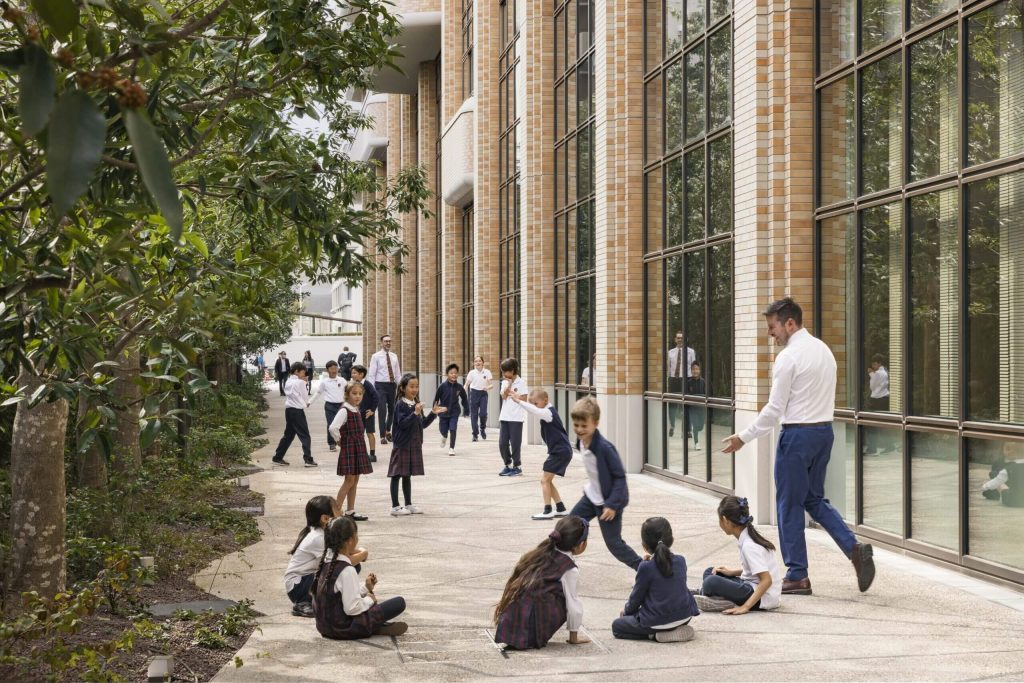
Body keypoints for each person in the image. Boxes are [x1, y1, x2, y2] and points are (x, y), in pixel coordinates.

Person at [722, 297, 875, 595]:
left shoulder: (789, 357)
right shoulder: (824, 350)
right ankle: (854, 549)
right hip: (823, 433)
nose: (771, 334)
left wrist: (745, 436)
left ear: (789, 323)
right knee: (814, 499)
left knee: (789, 505)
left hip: (797, 437)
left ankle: (797, 575)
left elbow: (775, 408)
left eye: (773, 327)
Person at [493, 516, 590, 650]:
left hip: (511, 625)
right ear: (581, 544)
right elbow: (573, 605)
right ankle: (536, 634)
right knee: (566, 598)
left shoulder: (544, 551)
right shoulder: (570, 569)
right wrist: (573, 637)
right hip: (532, 629)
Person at [569, 396, 643, 571]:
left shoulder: (604, 448)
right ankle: (560, 564)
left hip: (609, 503)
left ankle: (643, 569)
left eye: (584, 426)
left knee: (614, 544)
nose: (579, 429)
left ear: (595, 423)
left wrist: (611, 505)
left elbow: (619, 477)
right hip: (592, 496)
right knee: (567, 527)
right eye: (576, 425)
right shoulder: (580, 441)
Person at [312, 516, 408, 639]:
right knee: (399, 603)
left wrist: (365, 588)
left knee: (370, 608)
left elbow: (342, 597)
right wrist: (369, 599)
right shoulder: (347, 570)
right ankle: (373, 626)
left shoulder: (325, 563)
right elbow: (352, 609)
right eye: (356, 535)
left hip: (324, 627)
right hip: (343, 628)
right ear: (350, 540)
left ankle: (375, 626)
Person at [611, 517, 699, 643]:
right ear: (671, 540)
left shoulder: (646, 567)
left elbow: (636, 598)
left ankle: (654, 635)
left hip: (656, 621)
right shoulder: (681, 560)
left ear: (644, 546)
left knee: (617, 626)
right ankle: (673, 630)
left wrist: (626, 612)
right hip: (684, 616)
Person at [694, 495, 783, 614]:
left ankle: (709, 595)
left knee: (710, 582)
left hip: (762, 597)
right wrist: (732, 572)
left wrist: (745, 607)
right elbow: (755, 570)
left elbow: (767, 580)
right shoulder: (747, 537)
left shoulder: (749, 546)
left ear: (725, 520)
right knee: (710, 571)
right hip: (751, 586)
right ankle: (716, 598)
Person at [387, 373, 446, 516]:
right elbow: (402, 423)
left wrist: (433, 413)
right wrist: (415, 413)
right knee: (397, 475)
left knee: (407, 475)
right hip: (402, 444)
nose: (414, 389)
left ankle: (408, 504)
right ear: (403, 388)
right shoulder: (401, 404)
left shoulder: (415, 404)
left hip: (414, 444)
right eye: (411, 386)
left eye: (417, 386)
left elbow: (422, 424)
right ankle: (395, 507)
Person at [511, 388, 572, 520]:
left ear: (546, 400)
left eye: (536, 403)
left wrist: (519, 402)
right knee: (548, 481)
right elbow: (534, 410)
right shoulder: (547, 410)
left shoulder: (548, 413)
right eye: (532, 404)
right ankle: (560, 508)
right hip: (561, 451)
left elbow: (536, 411)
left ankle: (547, 510)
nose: (534, 406)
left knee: (544, 480)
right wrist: (520, 399)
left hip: (560, 451)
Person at [284, 495, 339, 618]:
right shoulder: (318, 538)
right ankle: (303, 602)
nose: (341, 514)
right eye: (337, 511)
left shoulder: (322, 532)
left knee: (350, 567)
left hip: (306, 580)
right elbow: (341, 558)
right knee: (340, 568)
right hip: (299, 586)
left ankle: (327, 599)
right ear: (325, 518)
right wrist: (363, 554)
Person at [328, 382, 374, 521]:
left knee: (355, 480)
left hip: (358, 446)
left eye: (360, 394)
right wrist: (339, 441)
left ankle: (350, 511)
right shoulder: (344, 410)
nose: (357, 396)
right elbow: (333, 428)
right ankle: (335, 512)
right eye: (354, 393)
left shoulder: (356, 410)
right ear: (347, 395)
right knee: (349, 480)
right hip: (349, 447)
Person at [272, 362, 317, 467]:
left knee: (288, 435)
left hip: (289, 410)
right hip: (297, 411)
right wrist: (306, 402)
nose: (304, 374)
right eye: (303, 372)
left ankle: (278, 457)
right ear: (296, 371)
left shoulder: (288, 381)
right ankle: (308, 459)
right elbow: (305, 397)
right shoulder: (300, 382)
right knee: (305, 435)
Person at [498, 358, 529, 477]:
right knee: (502, 443)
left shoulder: (522, 382)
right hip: (504, 416)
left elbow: (524, 399)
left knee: (515, 443)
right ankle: (507, 465)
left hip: (516, 418)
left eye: (505, 371)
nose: (504, 374)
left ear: (512, 370)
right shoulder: (505, 382)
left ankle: (517, 466)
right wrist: (509, 385)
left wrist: (516, 396)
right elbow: (504, 397)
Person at [368, 335, 401, 444]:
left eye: (389, 341)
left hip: (392, 386)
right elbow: (372, 374)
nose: (388, 343)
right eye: (386, 341)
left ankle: (388, 430)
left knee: (392, 409)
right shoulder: (376, 356)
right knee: (382, 410)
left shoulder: (394, 356)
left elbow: (397, 374)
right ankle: (382, 436)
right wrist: (371, 390)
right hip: (380, 386)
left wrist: (401, 386)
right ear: (381, 343)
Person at [433, 363, 469, 456]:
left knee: (453, 429)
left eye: (455, 373)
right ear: (447, 374)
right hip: (443, 413)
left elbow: (464, 399)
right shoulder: (442, 386)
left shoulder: (459, 387)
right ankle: (444, 436)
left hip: (454, 412)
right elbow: (436, 399)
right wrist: (435, 410)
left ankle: (451, 448)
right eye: (451, 373)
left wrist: (466, 410)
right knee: (443, 429)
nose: (454, 375)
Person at [309, 360, 345, 452]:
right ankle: (332, 443)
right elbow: (318, 392)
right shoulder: (325, 382)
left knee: (341, 425)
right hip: (330, 406)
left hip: (341, 406)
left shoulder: (342, 380)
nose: (334, 370)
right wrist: (310, 401)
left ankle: (343, 441)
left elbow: (348, 391)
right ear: (327, 370)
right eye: (332, 368)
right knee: (331, 424)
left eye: (335, 368)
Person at [667, 332, 696, 438]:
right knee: (672, 405)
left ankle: (687, 430)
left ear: (685, 339)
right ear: (675, 339)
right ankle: (672, 426)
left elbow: (694, 367)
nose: (680, 340)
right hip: (674, 380)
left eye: (682, 338)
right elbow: (668, 368)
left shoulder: (691, 352)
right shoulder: (670, 352)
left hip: (686, 380)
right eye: (678, 338)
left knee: (686, 405)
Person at [351, 365, 379, 463]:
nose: (352, 375)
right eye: (352, 373)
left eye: (354, 373)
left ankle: (372, 454)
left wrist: (372, 410)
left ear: (361, 374)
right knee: (359, 434)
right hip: (358, 413)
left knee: (370, 433)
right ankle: (361, 453)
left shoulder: (367, 384)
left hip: (368, 413)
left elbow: (376, 397)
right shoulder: (354, 385)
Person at [464, 355, 494, 442]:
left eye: (479, 361)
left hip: (483, 394)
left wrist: (487, 388)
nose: (478, 362)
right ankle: (475, 434)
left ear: (483, 363)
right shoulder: (471, 373)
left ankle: (482, 429)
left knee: (483, 413)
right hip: (473, 393)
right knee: (474, 415)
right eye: (476, 361)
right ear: (474, 363)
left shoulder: (487, 372)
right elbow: (466, 384)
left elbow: (491, 385)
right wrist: (462, 393)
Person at [686, 362, 706, 451]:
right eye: (693, 369)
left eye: (697, 369)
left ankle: (695, 430)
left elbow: (706, 394)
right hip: (692, 408)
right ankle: (696, 443)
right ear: (691, 370)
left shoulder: (703, 381)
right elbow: (686, 395)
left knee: (701, 426)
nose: (695, 371)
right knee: (695, 424)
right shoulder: (688, 382)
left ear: (700, 370)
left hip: (701, 408)